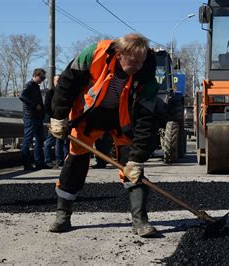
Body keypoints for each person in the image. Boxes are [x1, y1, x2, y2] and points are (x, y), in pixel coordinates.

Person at [49, 33, 161, 237]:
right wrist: (58, 116)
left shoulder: (147, 78)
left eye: (141, 61)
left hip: (123, 121)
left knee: (133, 168)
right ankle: (62, 215)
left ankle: (140, 221)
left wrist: (137, 158)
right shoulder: (94, 55)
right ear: (119, 53)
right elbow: (66, 83)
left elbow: (146, 121)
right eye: (133, 61)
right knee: (75, 162)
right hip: (90, 117)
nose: (137, 66)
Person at [20, 68, 50, 170]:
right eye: (41, 77)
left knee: (40, 140)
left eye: (44, 78)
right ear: (35, 75)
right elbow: (22, 96)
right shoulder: (29, 85)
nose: (43, 80)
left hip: (37, 117)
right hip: (30, 117)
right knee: (27, 140)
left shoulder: (36, 86)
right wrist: (34, 105)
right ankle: (27, 164)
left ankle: (39, 162)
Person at [43, 75, 66, 168]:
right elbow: (47, 107)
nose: (58, 82)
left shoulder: (64, 92)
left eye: (59, 80)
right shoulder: (50, 92)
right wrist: (53, 116)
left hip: (61, 120)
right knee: (49, 141)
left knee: (60, 141)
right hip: (52, 120)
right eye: (56, 80)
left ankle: (59, 161)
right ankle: (48, 160)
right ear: (53, 81)